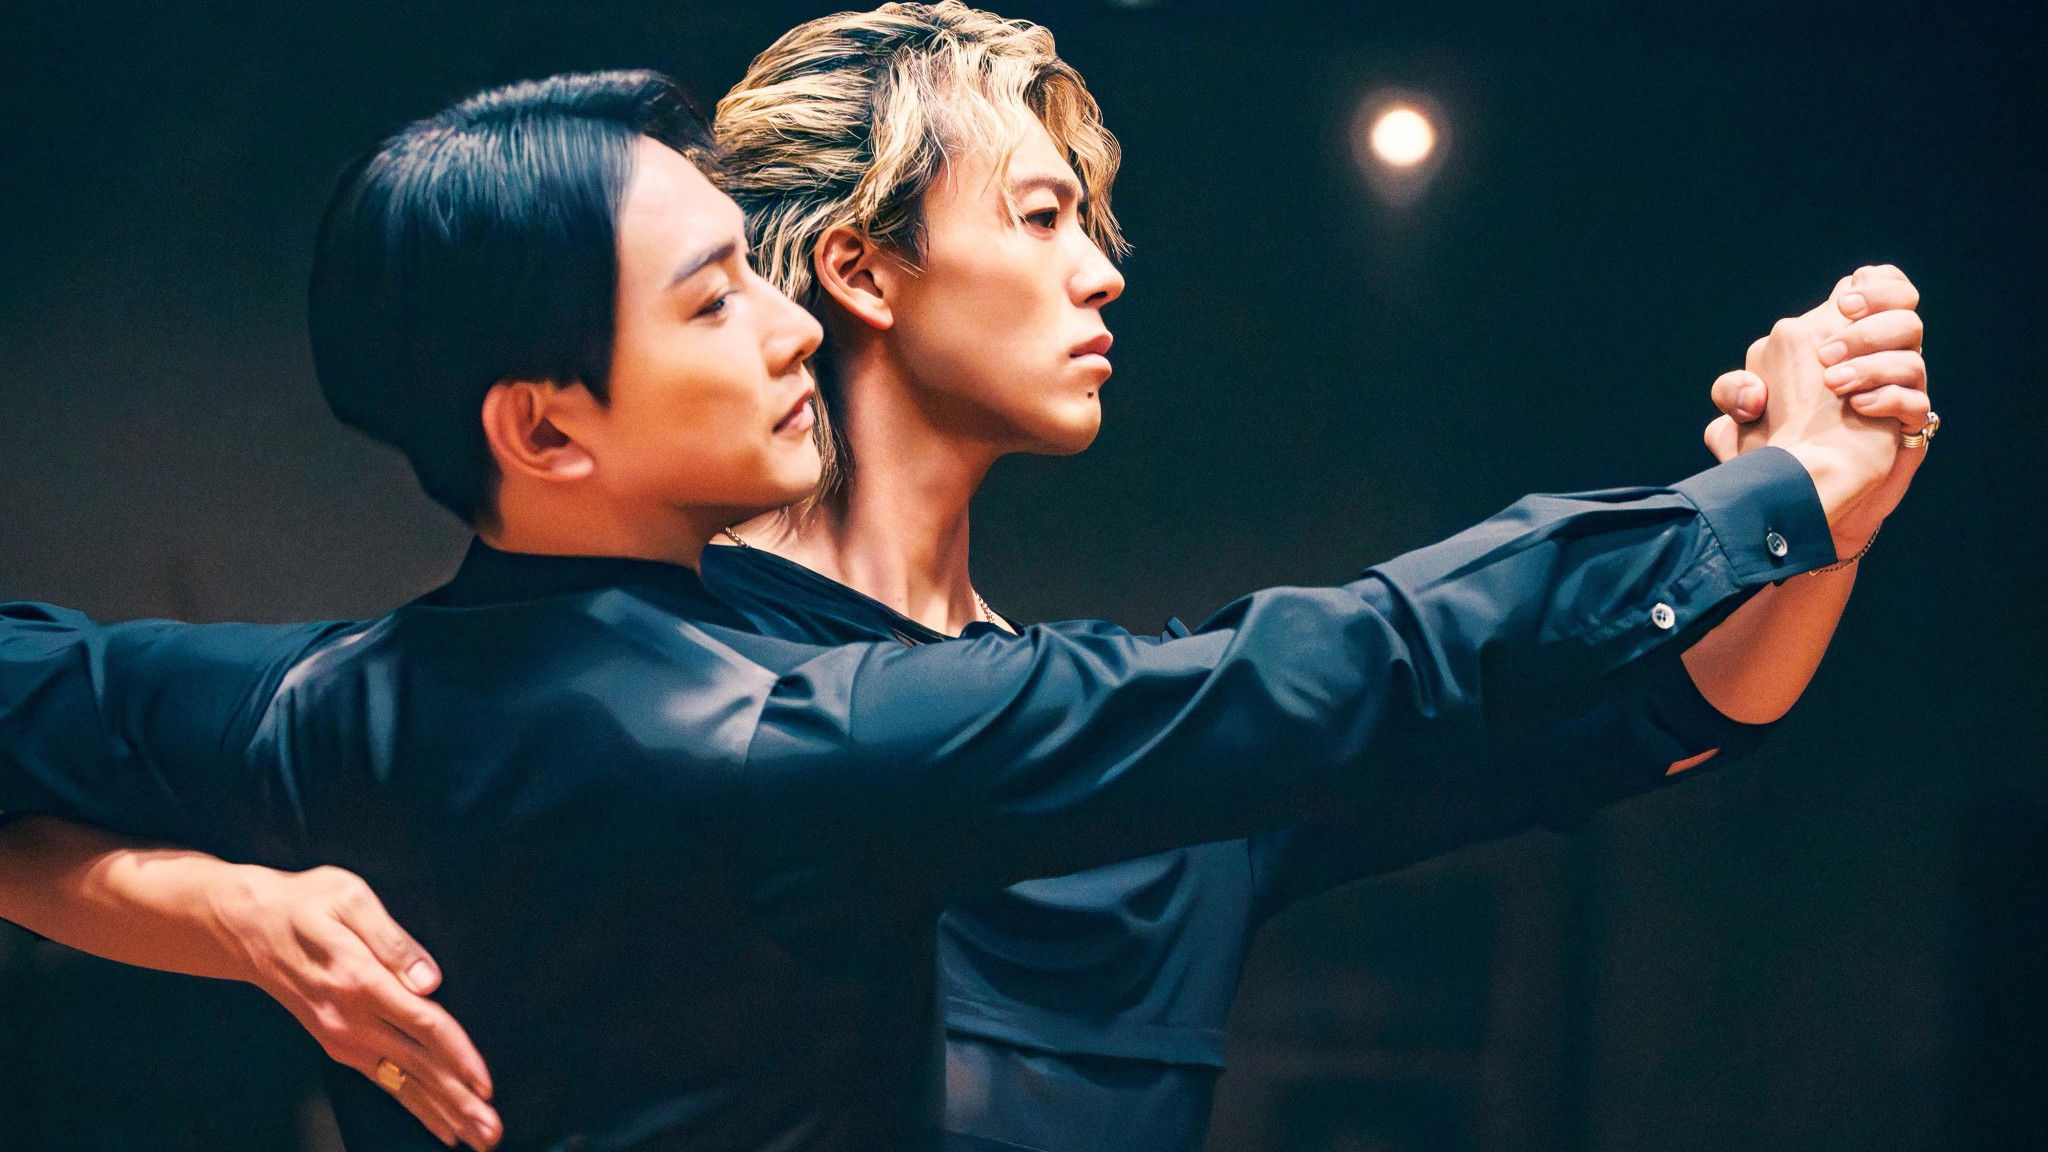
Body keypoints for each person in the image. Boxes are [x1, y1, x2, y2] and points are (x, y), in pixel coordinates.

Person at [0, 54, 1919, 1152]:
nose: (1106, 272)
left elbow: (1661, 718)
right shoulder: (760, 728)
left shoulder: (359, 698)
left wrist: (1821, 509)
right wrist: (1764, 496)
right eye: (1041, 213)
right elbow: (1354, 662)